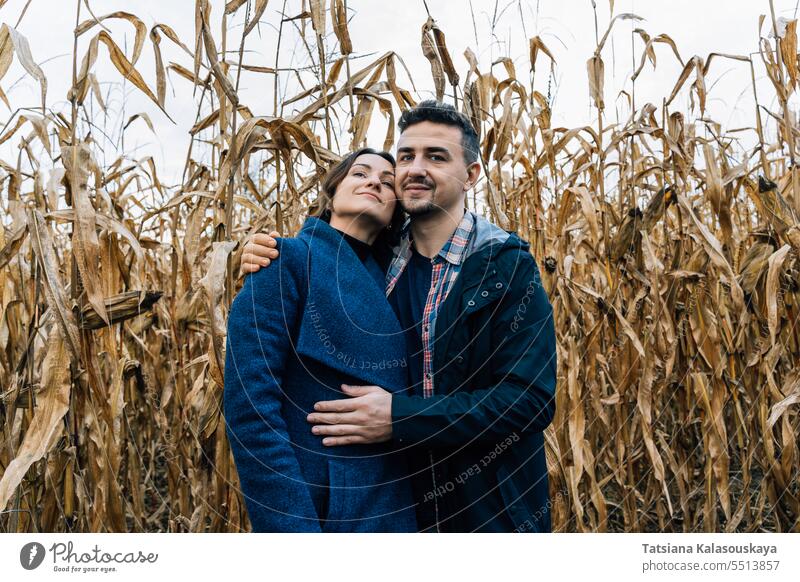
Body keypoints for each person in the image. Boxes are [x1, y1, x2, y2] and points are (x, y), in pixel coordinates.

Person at [239, 101, 558, 532]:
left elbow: (529, 401)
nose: (414, 169)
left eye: (437, 156)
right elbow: (255, 394)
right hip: (397, 510)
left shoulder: (505, 265)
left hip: (488, 509)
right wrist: (258, 255)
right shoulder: (379, 264)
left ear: (472, 175)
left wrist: (398, 418)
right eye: (406, 156)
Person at [223, 148, 418, 532]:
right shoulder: (285, 259)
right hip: (321, 507)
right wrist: (292, 528)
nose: (374, 181)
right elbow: (250, 408)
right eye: (359, 173)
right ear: (331, 194)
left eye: (387, 180)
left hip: (397, 505)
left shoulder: (403, 285)